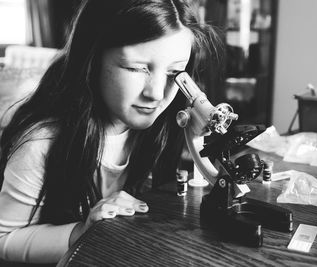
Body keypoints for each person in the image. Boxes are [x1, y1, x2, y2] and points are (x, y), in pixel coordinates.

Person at [0, 0, 223, 264]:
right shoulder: (42, 143)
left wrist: (200, 139)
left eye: (174, 73)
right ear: (92, 58)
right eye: (136, 68)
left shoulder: (165, 125)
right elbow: (4, 239)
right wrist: (81, 232)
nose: (156, 93)